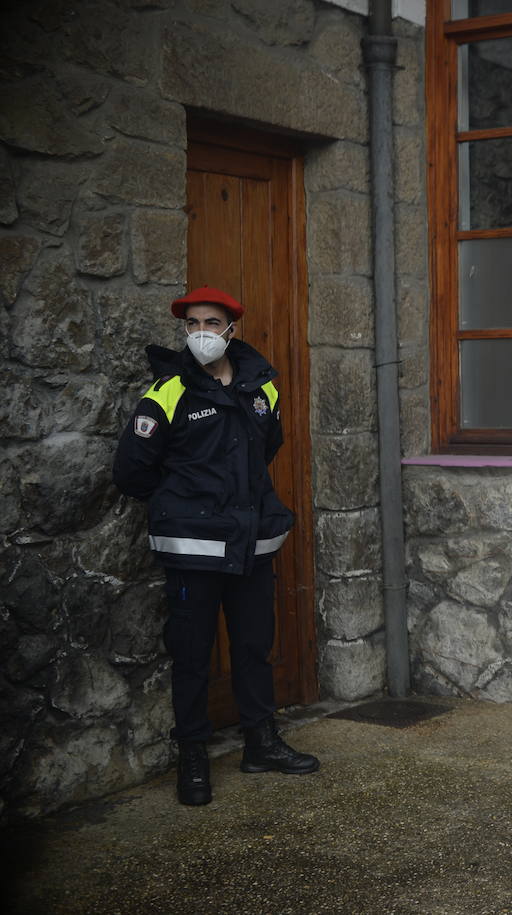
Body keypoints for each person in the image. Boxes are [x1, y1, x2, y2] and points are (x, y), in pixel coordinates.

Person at [113, 286, 319, 807]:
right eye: (192, 323)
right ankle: (194, 756)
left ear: (232, 328)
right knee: (192, 655)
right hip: (192, 548)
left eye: (212, 322)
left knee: (253, 647)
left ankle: (261, 744)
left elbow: (267, 449)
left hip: (251, 544)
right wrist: (183, 502)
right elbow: (132, 470)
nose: (201, 332)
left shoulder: (261, 387)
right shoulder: (168, 392)